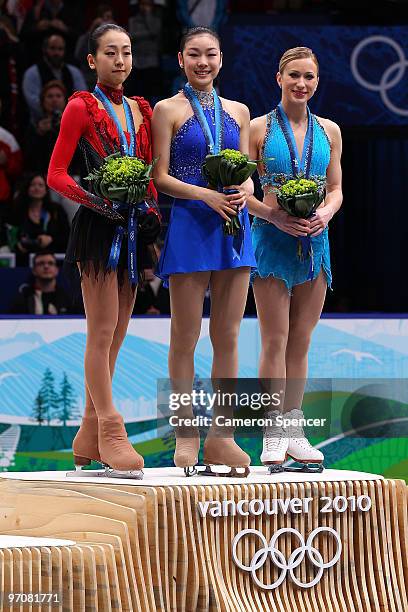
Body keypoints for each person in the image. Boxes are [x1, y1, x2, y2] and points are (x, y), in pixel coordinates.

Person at [47, 23, 160, 477]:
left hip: (133, 229)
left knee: (117, 334)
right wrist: (98, 201)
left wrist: (150, 206)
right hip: (98, 228)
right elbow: (56, 174)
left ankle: (88, 431)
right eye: (110, 53)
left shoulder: (140, 109)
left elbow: (148, 172)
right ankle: (111, 430)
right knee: (101, 330)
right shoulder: (81, 107)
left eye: (127, 52)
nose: (120, 60)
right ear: (91, 61)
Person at [153, 26, 256, 476]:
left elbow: (249, 172)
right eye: (194, 54)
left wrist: (241, 191)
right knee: (185, 336)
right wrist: (205, 196)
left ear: (220, 59)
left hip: (234, 224)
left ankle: (223, 436)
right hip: (192, 224)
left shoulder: (238, 111)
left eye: (210, 54)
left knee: (228, 336)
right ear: (180, 59)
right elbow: (160, 176)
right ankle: (185, 433)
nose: (202, 62)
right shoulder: (167, 109)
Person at [247, 47, 343, 472]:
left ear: (317, 82)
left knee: (301, 341)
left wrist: (326, 211)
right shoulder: (256, 129)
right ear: (279, 78)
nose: (301, 84)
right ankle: (272, 429)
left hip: (315, 244)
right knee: (274, 339)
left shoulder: (331, 131)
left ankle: (294, 429)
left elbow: (337, 188)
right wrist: (274, 215)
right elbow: (240, 193)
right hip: (271, 241)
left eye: (308, 77)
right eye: (294, 76)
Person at [8, 173, 70, 266]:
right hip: (23, 259)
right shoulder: (18, 211)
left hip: (54, 259)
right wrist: (18, 246)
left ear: (46, 190)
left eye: (40, 185)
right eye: (33, 185)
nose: (36, 188)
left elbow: (68, 236)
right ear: (27, 189)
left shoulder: (56, 210)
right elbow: (11, 234)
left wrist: (51, 239)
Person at [22, 33, 87, 120]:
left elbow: (83, 99)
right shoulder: (32, 73)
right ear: (44, 49)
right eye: (52, 48)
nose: (56, 53)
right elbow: (33, 102)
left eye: (60, 49)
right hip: (40, 124)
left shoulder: (74, 72)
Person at [24, 80, 67, 174]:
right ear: (43, 101)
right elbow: (28, 158)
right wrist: (39, 134)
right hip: (42, 176)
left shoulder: (74, 124)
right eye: (50, 96)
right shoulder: (35, 126)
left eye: (58, 96)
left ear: (64, 100)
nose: (54, 100)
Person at [10, 251, 75, 314]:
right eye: (41, 263)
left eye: (50, 263)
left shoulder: (67, 299)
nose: (46, 266)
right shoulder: (23, 299)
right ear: (34, 270)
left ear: (56, 270)